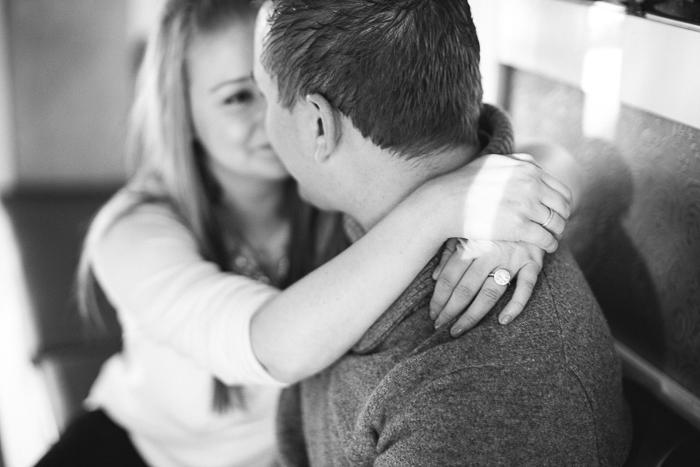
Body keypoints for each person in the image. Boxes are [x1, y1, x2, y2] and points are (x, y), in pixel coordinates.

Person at [34, 1, 573, 467]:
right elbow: (272, 349)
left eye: (272, 86)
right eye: (238, 97)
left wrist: (515, 217)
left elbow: (559, 157)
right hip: (140, 454)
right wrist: (450, 204)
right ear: (184, 113)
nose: (272, 115)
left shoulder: (331, 187)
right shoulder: (133, 232)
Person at [254, 0, 632, 465]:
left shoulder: (480, 398)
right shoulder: (362, 215)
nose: (262, 128)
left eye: (263, 97)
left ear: (318, 124)